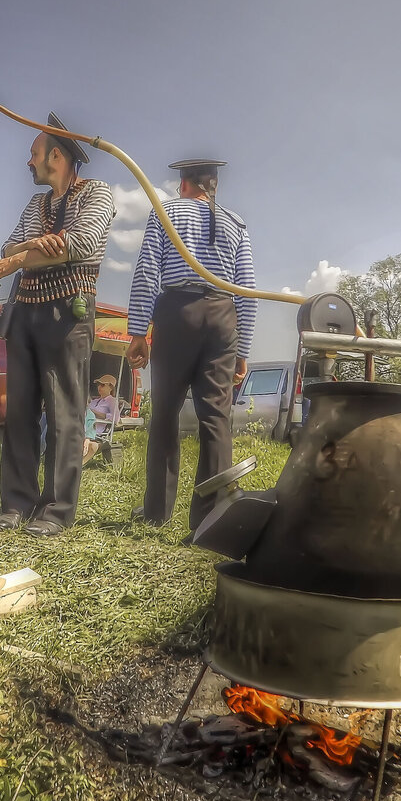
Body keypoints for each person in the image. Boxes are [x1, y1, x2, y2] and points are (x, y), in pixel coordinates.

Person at [0, 113, 115, 537]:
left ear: (56, 156)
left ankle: (56, 511)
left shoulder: (97, 193)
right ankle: (17, 502)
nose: (29, 162)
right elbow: (9, 245)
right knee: (20, 409)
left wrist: (16, 261)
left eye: (34, 153)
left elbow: (79, 244)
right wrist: (31, 246)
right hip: (26, 311)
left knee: (64, 414)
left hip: (67, 314)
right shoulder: (36, 205)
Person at [126, 157, 256, 529]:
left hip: (177, 313)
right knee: (216, 417)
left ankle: (157, 512)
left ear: (184, 184)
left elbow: (148, 271)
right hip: (222, 317)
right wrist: (243, 349)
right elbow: (247, 290)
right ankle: (210, 518)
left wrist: (138, 331)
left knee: (165, 412)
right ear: (214, 186)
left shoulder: (166, 212)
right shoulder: (237, 223)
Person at [88, 374, 120, 441]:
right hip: (85, 426)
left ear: (110, 388)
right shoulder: (95, 401)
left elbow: (116, 419)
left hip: (95, 430)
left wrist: (96, 413)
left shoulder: (112, 401)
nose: (99, 387)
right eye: (98, 384)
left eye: (102, 385)